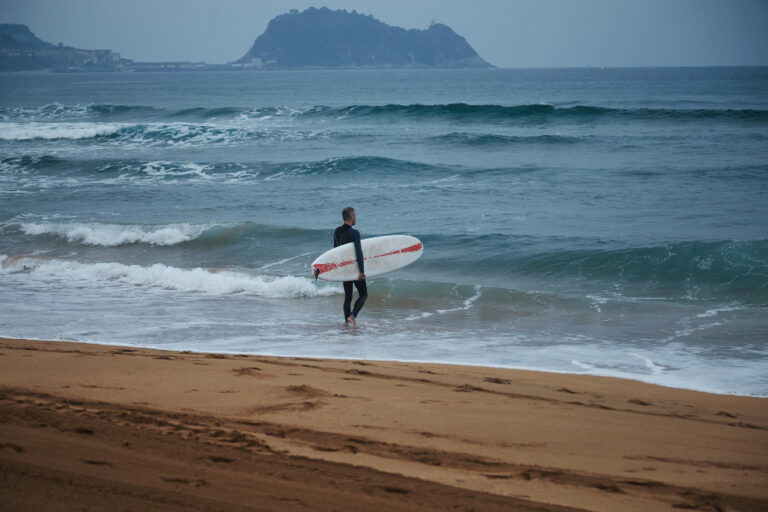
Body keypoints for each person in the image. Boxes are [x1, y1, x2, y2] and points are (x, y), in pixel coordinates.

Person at [334, 207, 367, 326]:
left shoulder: (337, 231)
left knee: (348, 296)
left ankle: (347, 322)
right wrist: (361, 271)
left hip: (344, 269)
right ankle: (352, 316)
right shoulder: (354, 233)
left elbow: (335, 252)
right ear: (351, 216)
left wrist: (337, 269)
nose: (356, 218)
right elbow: (359, 252)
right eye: (355, 215)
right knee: (363, 294)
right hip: (354, 268)